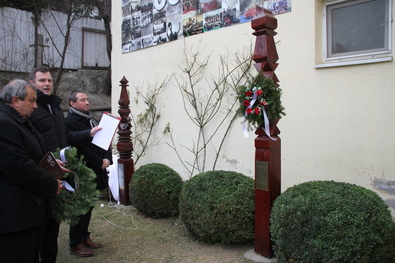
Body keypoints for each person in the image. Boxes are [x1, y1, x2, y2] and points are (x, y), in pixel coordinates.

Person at [28, 68, 102, 261]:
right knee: (41, 224)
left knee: (53, 223)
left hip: (60, 169)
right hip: (42, 171)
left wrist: (89, 133)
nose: (46, 84)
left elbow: (66, 137)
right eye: (42, 80)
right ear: (32, 83)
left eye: (49, 80)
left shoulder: (55, 108)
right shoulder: (31, 110)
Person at [0, 79, 62, 263]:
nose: (35, 106)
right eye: (32, 101)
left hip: (28, 213)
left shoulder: (18, 120)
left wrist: (53, 165)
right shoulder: (4, 123)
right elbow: (19, 166)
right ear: (15, 100)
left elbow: (33, 155)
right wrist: (51, 184)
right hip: (16, 216)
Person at [65, 90, 112, 257]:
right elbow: (80, 146)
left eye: (87, 100)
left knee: (89, 205)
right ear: (72, 103)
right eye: (82, 100)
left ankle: (84, 236)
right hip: (83, 170)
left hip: (96, 167)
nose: (87, 103)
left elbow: (103, 140)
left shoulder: (89, 119)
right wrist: (99, 162)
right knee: (80, 207)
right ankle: (74, 243)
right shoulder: (70, 121)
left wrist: (106, 158)